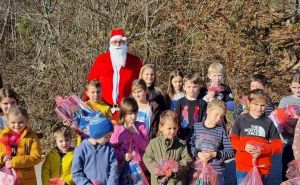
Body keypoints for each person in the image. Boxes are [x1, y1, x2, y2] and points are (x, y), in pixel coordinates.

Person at [87, 28, 142, 120]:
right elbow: (91, 85)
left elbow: (142, 85)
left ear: (125, 43)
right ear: (110, 44)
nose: (118, 45)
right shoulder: (101, 60)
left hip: (127, 111)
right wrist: (86, 106)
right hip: (103, 111)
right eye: (115, 42)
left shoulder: (135, 61)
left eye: (120, 42)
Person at [230, 89, 283, 185]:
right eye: (256, 104)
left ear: (266, 105)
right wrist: (244, 146)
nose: (259, 108)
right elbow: (233, 140)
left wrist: (263, 149)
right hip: (243, 168)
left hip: (262, 168)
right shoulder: (240, 120)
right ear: (249, 103)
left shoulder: (269, 123)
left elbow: (278, 146)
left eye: (262, 105)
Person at [189, 99, 235, 185]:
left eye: (221, 116)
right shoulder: (196, 127)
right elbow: (189, 145)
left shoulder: (221, 131)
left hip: (216, 172)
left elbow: (231, 152)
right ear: (208, 111)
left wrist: (215, 154)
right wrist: (198, 153)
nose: (219, 119)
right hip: (198, 171)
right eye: (216, 115)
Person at [143, 110, 192, 185]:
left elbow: (187, 159)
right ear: (161, 127)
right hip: (158, 181)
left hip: (175, 182)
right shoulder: (153, 143)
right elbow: (147, 158)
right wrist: (158, 170)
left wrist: (176, 168)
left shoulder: (181, 144)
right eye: (169, 128)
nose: (172, 131)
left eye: (175, 128)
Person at [72, 114, 119, 184]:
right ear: (97, 135)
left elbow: (114, 169)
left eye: (110, 136)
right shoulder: (81, 150)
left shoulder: (109, 148)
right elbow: (76, 173)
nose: (109, 139)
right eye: (107, 136)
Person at [0, 106, 42, 185]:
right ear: (7, 121)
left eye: (20, 122)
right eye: (13, 122)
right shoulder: (3, 135)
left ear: (27, 120)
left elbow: (36, 157)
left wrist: (14, 162)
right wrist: (3, 157)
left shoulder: (31, 137)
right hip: (7, 179)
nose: (17, 125)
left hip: (26, 180)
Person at [110, 97, 149, 171]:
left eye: (135, 113)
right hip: (122, 167)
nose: (133, 116)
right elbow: (112, 148)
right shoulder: (117, 128)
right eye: (130, 113)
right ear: (123, 113)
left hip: (139, 168)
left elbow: (146, 147)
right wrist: (123, 155)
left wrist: (135, 133)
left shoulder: (141, 126)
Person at [279, 71, 300, 181]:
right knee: (287, 170)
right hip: (288, 141)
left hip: (299, 143)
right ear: (290, 86)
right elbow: (278, 120)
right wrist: (285, 129)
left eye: (299, 87)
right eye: (294, 87)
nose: (297, 90)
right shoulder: (285, 100)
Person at [175, 73, 207, 140]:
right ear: (184, 87)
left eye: (194, 87)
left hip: (198, 137)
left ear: (199, 87)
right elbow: (176, 120)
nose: (191, 89)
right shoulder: (179, 102)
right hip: (182, 137)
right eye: (189, 87)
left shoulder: (203, 103)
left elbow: (204, 121)